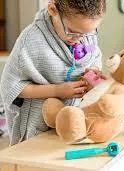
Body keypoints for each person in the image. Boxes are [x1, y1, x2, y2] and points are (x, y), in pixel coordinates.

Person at [0, 0, 106, 145]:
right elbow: (11, 87)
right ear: (52, 10)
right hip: (39, 129)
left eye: (88, 33)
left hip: (73, 125)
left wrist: (94, 73)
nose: (79, 39)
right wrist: (56, 90)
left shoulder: (85, 35)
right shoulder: (30, 40)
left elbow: (94, 58)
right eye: (72, 32)